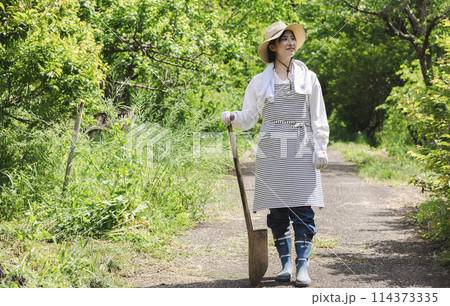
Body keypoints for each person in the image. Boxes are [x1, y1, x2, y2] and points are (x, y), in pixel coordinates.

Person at [221, 21, 329, 287]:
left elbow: (318, 115)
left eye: (293, 38)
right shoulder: (259, 82)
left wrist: (321, 146)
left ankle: (302, 266)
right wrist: (233, 117)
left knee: (303, 209)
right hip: (272, 149)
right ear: (273, 46)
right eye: (285, 39)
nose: (291, 43)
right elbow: (248, 118)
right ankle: (285, 264)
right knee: (278, 211)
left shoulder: (309, 77)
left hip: (302, 147)